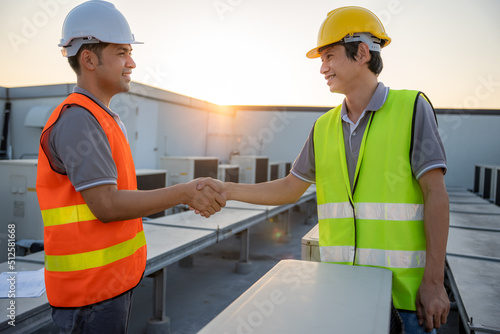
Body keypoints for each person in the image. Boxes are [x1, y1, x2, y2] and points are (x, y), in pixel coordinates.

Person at [198, 6, 450, 334]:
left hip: (404, 299)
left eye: (329, 56)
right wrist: (228, 190)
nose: (322, 68)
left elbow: (436, 195)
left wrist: (434, 281)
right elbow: (290, 188)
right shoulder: (323, 127)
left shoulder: (412, 108)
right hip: (340, 291)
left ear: (361, 53)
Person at [36, 1, 225, 333]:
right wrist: (184, 192)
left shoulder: (100, 117)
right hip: (89, 295)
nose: (132, 62)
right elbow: (107, 205)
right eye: (122, 52)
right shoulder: (80, 119)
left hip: (105, 287)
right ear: (89, 59)